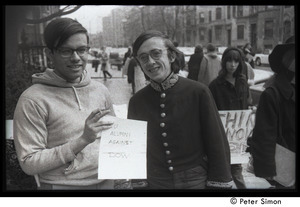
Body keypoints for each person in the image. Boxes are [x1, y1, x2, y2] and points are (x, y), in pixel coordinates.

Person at [13, 18, 116, 190]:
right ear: (49, 54)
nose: (76, 58)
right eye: (66, 51)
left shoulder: (100, 90)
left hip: (106, 183)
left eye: (82, 50)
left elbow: (113, 138)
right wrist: (82, 140)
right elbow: (29, 162)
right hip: (62, 187)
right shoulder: (33, 99)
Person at [127, 30, 232, 189]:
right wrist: (139, 183)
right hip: (156, 181)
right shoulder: (137, 101)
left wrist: (219, 182)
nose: (150, 62)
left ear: (171, 56)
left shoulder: (198, 92)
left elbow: (216, 141)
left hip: (194, 180)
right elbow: (135, 149)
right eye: (143, 57)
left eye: (156, 54)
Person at [249, 36, 295, 188]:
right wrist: (268, 170)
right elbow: (264, 135)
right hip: (286, 166)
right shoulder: (273, 93)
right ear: (289, 61)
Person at [209, 47, 253, 189]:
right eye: (229, 61)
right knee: (224, 169)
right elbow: (210, 110)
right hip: (221, 133)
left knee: (236, 168)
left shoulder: (242, 81)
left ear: (240, 63)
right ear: (224, 62)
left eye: (236, 61)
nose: (232, 65)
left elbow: (247, 103)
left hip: (238, 134)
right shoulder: (215, 85)